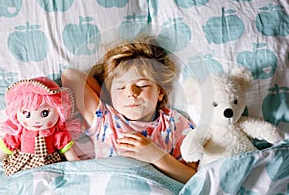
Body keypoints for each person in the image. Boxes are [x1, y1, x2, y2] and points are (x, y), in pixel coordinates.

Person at [61, 36, 197, 183]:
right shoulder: (105, 119)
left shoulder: (174, 123)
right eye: (121, 87)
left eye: (142, 85)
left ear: (160, 92)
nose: (131, 92)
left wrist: (157, 156)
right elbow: (70, 76)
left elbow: (193, 178)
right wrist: (108, 97)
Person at [0, 77, 80, 176]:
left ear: (59, 111)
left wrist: (76, 162)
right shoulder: (20, 133)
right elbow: (4, 148)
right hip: (23, 164)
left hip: (50, 165)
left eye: (45, 113)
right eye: (27, 114)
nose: (36, 121)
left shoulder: (56, 133)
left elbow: (69, 153)